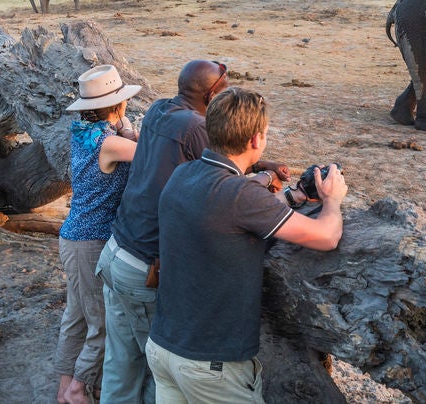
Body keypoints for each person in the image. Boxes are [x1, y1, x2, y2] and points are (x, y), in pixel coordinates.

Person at [96, 60, 292, 403]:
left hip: (115, 252)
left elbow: (206, 149)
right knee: (163, 376)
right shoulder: (196, 125)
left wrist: (262, 165)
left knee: (121, 365)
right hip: (145, 268)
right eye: (226, 87)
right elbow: (223, 170)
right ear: (214, 94)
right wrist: (263, 176)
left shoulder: (159, 110)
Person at [145, 87, 347, 403]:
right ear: (256, 140)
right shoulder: (241, 196)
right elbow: (327, 235)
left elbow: (232, 213)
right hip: (210, 366)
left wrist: (292, 197)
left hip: (163, 348)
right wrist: (332, 200)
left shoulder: (184, 174)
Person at [54, 64, 141, 404]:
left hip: (73, 238)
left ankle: (63, 389)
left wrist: (123, 126)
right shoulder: (110, 143)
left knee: (75, 318)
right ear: (118, 106)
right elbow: (151, 153)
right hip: (92, 243)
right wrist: (131, 127)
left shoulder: (81, 132)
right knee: (102, 324)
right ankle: (79, 389)